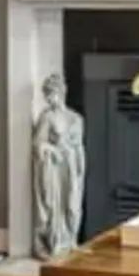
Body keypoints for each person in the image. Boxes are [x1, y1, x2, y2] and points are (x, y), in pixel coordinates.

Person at [30, 71, 87, 258]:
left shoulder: (76, 118)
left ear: (61, 93)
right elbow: (38, 144)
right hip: (54, 168)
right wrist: (51, 150)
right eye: (46, 95)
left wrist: (79, 166)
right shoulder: (47, 117)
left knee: (72, 206)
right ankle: (53, 242)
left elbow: (79, 146)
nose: (48, 99)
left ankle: (71, 240)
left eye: (50, 94)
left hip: (70, 167)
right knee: (53, 205)